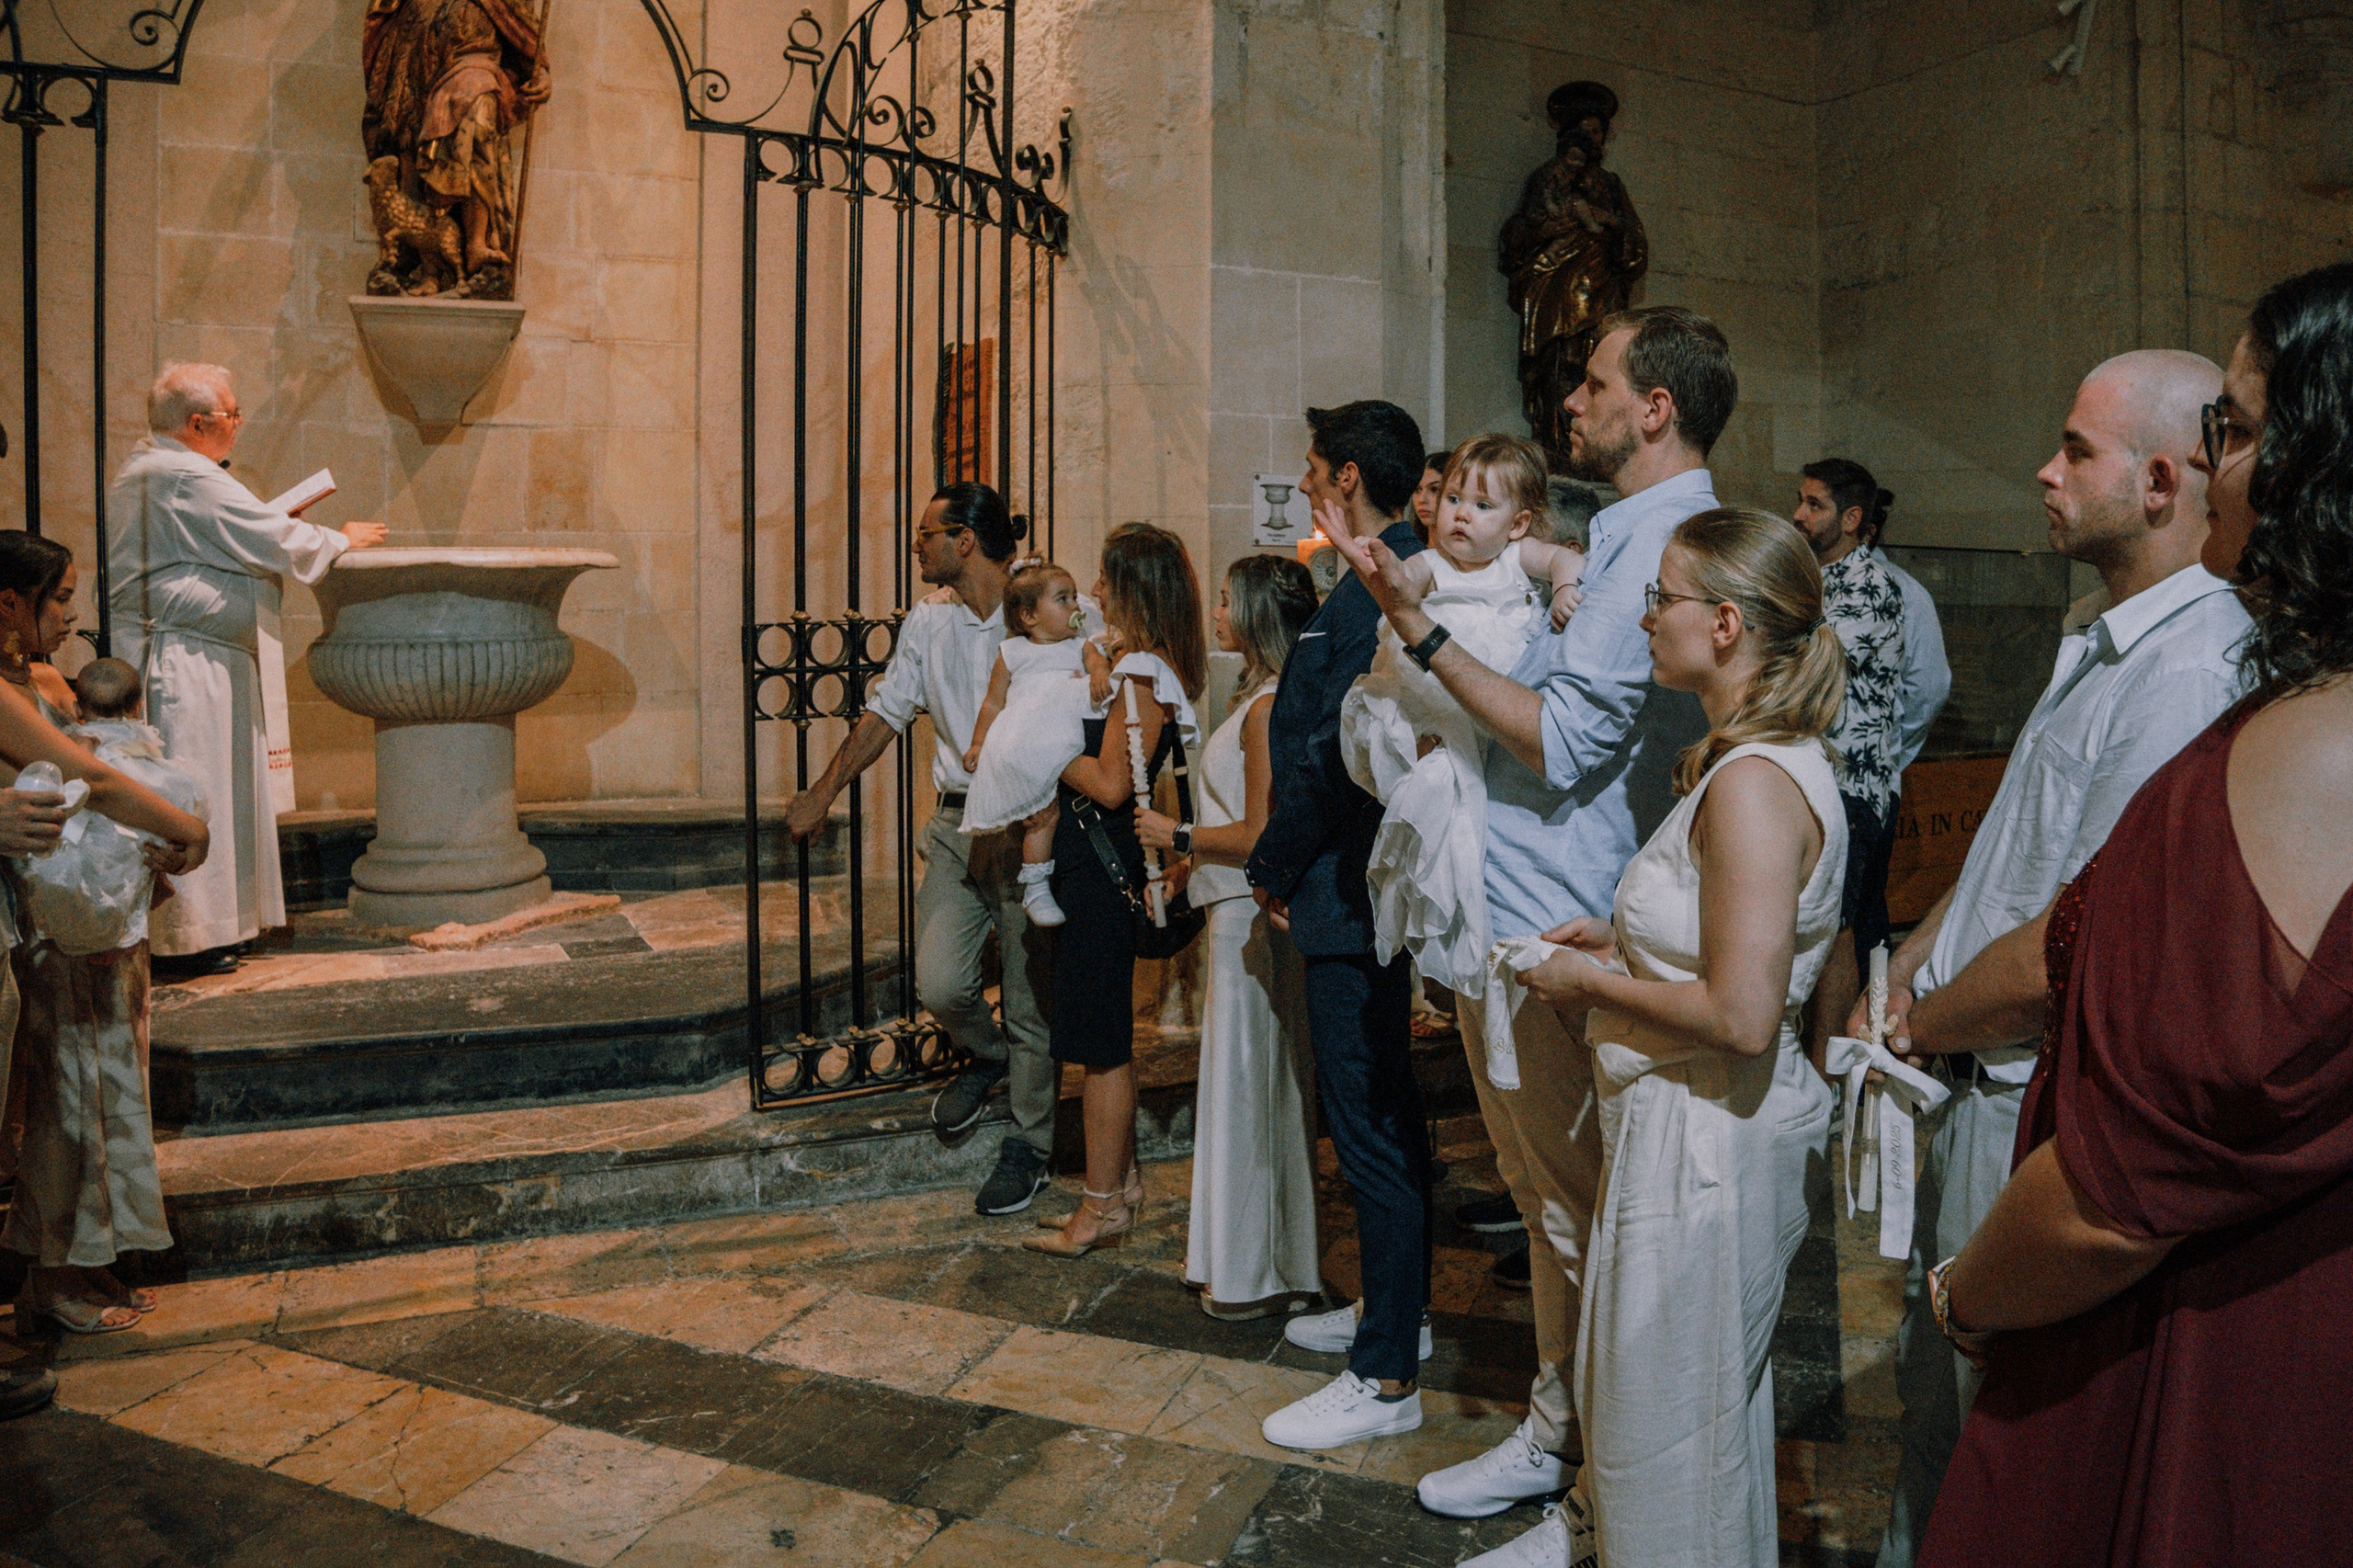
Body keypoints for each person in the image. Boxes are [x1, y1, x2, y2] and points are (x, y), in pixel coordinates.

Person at [1915, 262, 2353, 1567]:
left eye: (2246, 429)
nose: (2223, 468)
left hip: (2220, 1323)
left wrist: (1963, 1295)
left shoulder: (2309, 747)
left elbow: (2132, 1180)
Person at [1331, 307, 1722, 1551]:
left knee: (1576, 1207)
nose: (1574, 401)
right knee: (1553, 1200)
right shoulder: (1626, 533)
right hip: (1525, 898)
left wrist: (1418, 628)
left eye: (1597, 383)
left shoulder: (1660, 536)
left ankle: (1594, 1483)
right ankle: (1563, 1437)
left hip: (1557, 909)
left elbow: (1561, 740)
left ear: (1654, 405)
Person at [1860, 349, 2245, 1568]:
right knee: (1939, 1421)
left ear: (2162, 480)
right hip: (1977, 1077)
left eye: (2076, 447)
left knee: (2001, 1448)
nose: (2044, 466)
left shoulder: (2190, 668)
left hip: (2028, 1103)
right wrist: (1913, 956)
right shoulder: (2104, 628)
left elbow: (2079, 938)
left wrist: (1924, 1021)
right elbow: (2012, 854)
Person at [1517, 507, 1847, 1566]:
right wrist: (1625, 938)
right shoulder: (1748, 759)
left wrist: (1587, 982)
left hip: (1706, 1139)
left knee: (1666, 1448)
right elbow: (1739, 938)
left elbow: (1744, 1014)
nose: (1646, 615)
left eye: (1662, 596)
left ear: (1725, 622)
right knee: (1682, 1431)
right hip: (1688, 1123)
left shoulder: (1751, 784)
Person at [784, 483, 1064, 1216]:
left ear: (965, 540)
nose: (917, 543)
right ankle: (992, 1057)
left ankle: (1032, 1147)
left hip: (1029, 829)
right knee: (940, 984)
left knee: (1034, 1006)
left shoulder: (1043, 602)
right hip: (954, 827)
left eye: (926, 532)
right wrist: (823, 791)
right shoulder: (929, 621)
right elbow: (887, 712)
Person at [1246, 400, 1436, 1449]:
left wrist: (1273, 861)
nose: (1311, 488)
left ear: (1351, 474)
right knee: (1380, 1116)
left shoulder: (1379, 582)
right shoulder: (1374, 573)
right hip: (1343, 882)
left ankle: (1386, 1375)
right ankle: (1391, 1313)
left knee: (1368, 1122)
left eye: (1317, 471)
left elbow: (1330, 750)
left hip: (1346, 884)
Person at [108, 362, 387, 977]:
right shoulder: (179, 471)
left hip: (206, 658)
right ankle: (186, 938)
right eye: (233, 414)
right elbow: (264, 532)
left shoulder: (166, 468)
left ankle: (213, 930)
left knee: (220, 794)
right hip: (185, 666)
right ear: (198, 422)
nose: (239, 425)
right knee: (197, 791)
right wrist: (337, 540)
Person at [0, 533, 212, 1336]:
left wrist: (151, 848)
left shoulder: (52, 680)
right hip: (46, 927)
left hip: (104, 917)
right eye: (59, 599)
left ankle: (91, 1255)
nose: (71, 614)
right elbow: (95, 782)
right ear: (10, 604)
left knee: (109, 1098)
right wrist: (189, 828)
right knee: (61, 1105)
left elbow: (121, 780)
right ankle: (49, 1276)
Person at [1136, 554, 1322, 1317]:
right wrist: (1191, 865)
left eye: (1223, 601)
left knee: (1255, 1089)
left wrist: (1175, 833)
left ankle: (1260, 1270)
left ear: (1253, 615)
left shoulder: (1268, 709)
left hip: (1252, 923)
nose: (1214, 613)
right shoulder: (1255, 698)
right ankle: (1240, 1259)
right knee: (1242, 1086)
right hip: (1228, 913)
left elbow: (1260, 834)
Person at [1344, 434, 1586, 1000]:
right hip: (1440, 704)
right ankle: (1443, 934)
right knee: (1441, 822)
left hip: (1499, 709)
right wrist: (1386, 579)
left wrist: (1567, 584)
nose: (1460, 516)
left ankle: (1469, 942)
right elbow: (1410, 585)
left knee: (1480, 829)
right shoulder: (1431, 562)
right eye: (1453, 499)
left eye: (1482, 506)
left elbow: (1566, 557)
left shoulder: (1514, 559)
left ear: (1519, 523)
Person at [1025, 524, 1203, 1258]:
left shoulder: (1144, 675)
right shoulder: (1133, 666)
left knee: (1101, 1043)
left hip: (1101, 872)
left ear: (1134, 587)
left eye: (1104, 579)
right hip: (1091, 865)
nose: (1094, 593)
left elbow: (1110, 782)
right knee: (1095, 1034)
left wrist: (1036, 740)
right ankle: (1120, 1186)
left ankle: (1098, 1209)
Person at [1790, 459, 1907, 1063]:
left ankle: (1824, 1076)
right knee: (1842, 929)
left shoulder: (1870, 587)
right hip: (1828, 784)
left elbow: (1806, 672)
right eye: (1801, 501)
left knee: (1838, 933)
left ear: (1852, 518)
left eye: (1814, 505)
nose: (1799, 514)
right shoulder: (1824, 580)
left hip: (1853, 788)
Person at [958, 561, 1115, 927]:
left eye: (1074, 597)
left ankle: (1042, 884)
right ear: (1028, 616)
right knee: (1043, 817)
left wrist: (1100, 673)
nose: (1076, 606)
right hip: (1028, 740)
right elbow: (993, 702)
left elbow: (1099, 667)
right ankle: (1036, 884)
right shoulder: (1012, 652)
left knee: (1054, 813)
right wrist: (979, 743)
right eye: (1063, 599)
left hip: (1063, 739)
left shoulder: (1082, 645)